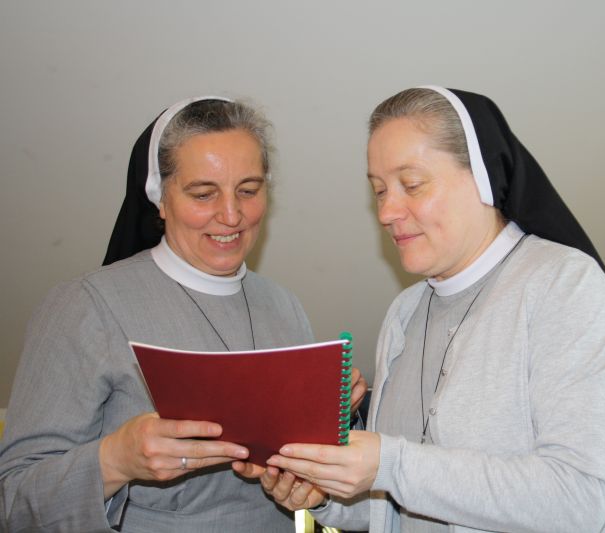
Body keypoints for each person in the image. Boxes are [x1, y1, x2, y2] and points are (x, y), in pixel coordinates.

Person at [239, 86, 605, 532]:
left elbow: (580, 498)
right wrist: (326, 493)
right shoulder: (405, 312)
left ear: (482, 177)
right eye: (379, 190)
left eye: (411, 184)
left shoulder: (564, 287)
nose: (386, 212)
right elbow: (398, 503)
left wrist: (388, 463)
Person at [0, 96, 365, 532]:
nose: (231, 215)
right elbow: (13, 500)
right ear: (159, 197)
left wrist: (330, 421)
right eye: (203, 193)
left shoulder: (284, 306)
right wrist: (115, 459)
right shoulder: (85, 306)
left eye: (248, 190)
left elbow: (302, 475)